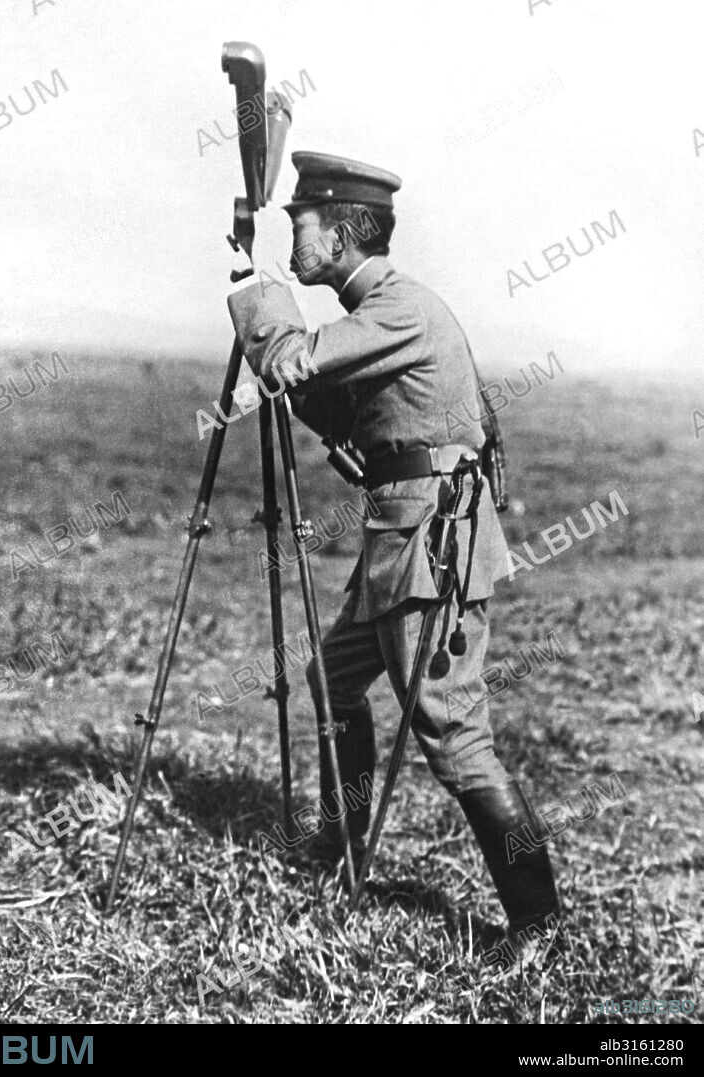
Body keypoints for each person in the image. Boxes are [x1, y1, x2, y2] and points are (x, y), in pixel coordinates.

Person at [227, 152, 560, 952]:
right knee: (334, 680)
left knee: (455, 735)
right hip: (402, 537)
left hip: (432, 547)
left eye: (299, 222)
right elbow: (327, 400)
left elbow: (292, 361)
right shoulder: (376, 312)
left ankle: (537, 921)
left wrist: (250, 285)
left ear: (339, 233)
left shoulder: (399, 309)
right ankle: (341, 846)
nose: (289, 233)